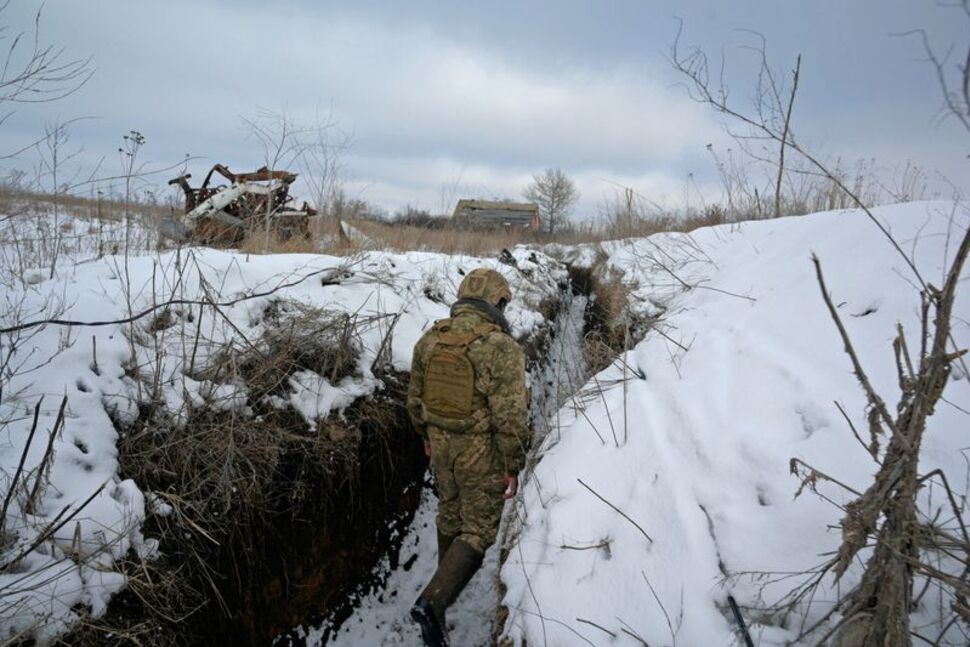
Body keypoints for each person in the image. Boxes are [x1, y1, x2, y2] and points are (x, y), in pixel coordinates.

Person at [406, 267, 530, 646]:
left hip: (441, 448)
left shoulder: (430, 339)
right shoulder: (501, 348)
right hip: (481, 454)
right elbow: (509, 415)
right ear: (498, 301)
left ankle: (443, 592)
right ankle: (433, 602)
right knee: (478, 529)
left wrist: (426, 436)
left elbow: (414, 399)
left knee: (451, 513)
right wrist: (513, 464)